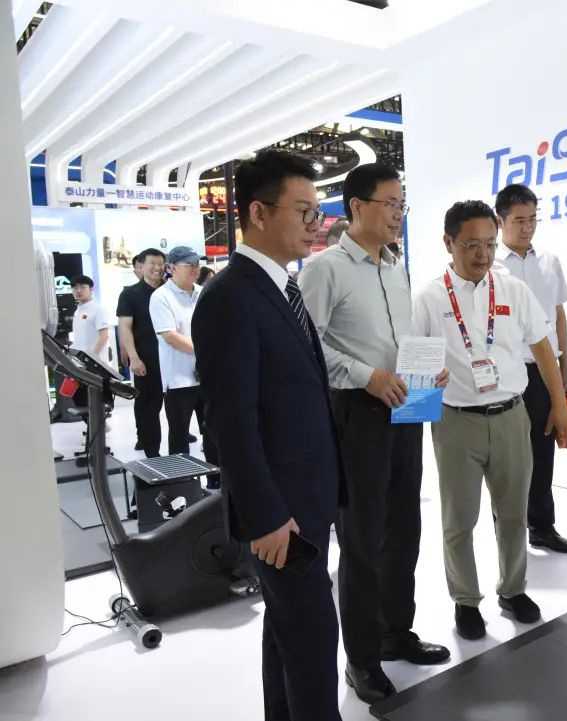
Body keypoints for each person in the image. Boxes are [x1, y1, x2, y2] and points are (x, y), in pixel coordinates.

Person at [192, 149, 344, 721]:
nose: (315, 224)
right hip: (280, 513)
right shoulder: (230, 296)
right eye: (303, 211)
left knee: (289, 632)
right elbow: (229, 422)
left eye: (316, 212)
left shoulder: (282, 288)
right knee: (312, 635)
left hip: (306, 499)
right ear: (258, 213)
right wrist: (266, 517)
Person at [299, 164, 449, 704]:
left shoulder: (395, 266)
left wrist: (426, 370)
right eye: (390, 204)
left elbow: (398, 338)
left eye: (402, 205)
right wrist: (366, 375)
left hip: (406, 405)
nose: (398, 215)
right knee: (362, 539)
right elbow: (307, 345)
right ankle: (361, 658)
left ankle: (395, 632)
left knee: (404, 527)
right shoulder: (324, 269)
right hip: (357, 412)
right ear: (357, 207)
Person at [413, 200, 567, 640]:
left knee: (512, 514)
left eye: (489, 244)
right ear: (448, 243)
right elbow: (416, 372)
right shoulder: (429, 298)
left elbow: (543, 347)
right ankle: (466, 601)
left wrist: (560, 404)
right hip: (456, 422)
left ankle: (513, 589)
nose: (483, 254)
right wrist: (420, 402)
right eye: (472, 245)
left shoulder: (512, 290)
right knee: (459, 521)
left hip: (511, 417)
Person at [493, 185, 567, 553]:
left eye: (532, 220)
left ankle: (542, 526)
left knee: (544, 450)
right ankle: (507, 535)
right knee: (508, 458)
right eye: (519, 221)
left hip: (545, 372)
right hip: (507, 372)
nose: (527, 228)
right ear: (500, 221)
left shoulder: (549, 261)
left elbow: (558, 314)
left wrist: (565, 367)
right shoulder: (490, 265)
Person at [149, 246, 218, 476]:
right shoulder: (161, 297)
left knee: (212, 431)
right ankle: (181, 484)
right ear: (172, 267)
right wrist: (207, 352)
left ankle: (216, 480)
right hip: (179, 379)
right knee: (179, 434)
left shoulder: (204, 292)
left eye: (197, 265)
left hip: (207, 376)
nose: (195, 269)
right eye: (190, 265)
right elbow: (170, 335)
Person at [117, 249, 166, 456]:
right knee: (149, 407)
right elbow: (125, 327)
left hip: (174, 359)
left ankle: (180, 454)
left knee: (178, 409)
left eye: (160, 264)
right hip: (147, 360)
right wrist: (134, 357)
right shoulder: (130, 294)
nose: (157, 268)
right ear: (141, 266)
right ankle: (152, 453)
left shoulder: (170, 290)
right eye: (152, 263)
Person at [68, 275, 113, 409]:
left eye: (82, 287)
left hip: (95, 365)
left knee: (96, 404)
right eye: (75, 288)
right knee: (81, 402)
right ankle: (88, 422)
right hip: (80, 364)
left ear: (91, 289)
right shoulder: (78, 310)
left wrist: (91, 358)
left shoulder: (98, 309)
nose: (78, 291)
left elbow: (103, 336)